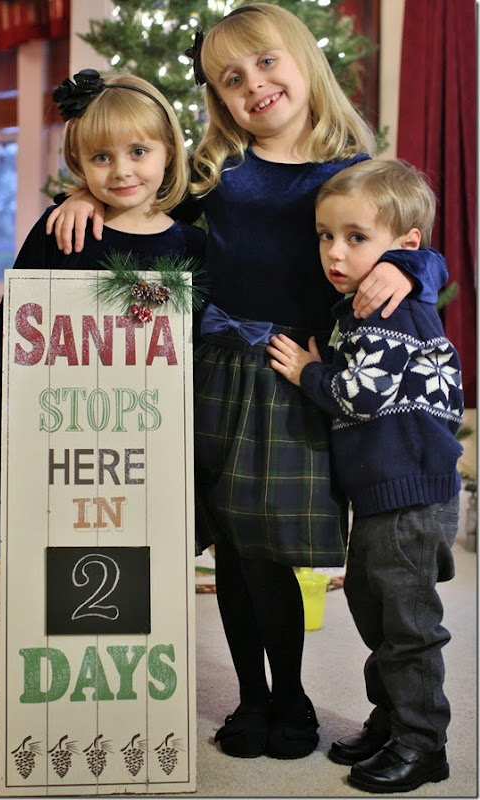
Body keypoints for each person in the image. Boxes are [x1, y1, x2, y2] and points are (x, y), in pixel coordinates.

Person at [45, 4, 448, 761]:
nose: (253, 85)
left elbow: (410, 240)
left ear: (302, 61)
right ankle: (252, 696)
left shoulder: (348, 169)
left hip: (291, 377)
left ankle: (291, 695)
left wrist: (409, 265)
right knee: (230, 549)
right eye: (230, 78)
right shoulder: (216, 171)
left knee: (271, 549)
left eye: (265, 63)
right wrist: (84, 196)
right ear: (217, 97)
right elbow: (140, 200)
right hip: (213, 372)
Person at [0, 69, 206, 560]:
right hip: (58, 425)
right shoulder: (63, 228)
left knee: (140, 549)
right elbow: (16, 317)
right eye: (101, 158)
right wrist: (15, 402)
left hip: (149, 433)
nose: (122, 171)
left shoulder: (192, 243)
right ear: (79, 161)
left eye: (139, 152)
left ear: (169, 151)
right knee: (48, 545)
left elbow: (200, 339)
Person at [267, 158, 463, 792]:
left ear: (405, 245)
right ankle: (393, 717)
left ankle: (423, 743)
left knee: (407, 626)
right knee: (373, 609)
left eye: (356, 237)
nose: (334, 251)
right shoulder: (359, 308)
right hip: (384, 492)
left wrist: (308, 373)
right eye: (326, 235)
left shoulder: (389, 306)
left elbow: (363, 395)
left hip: (411, 493)